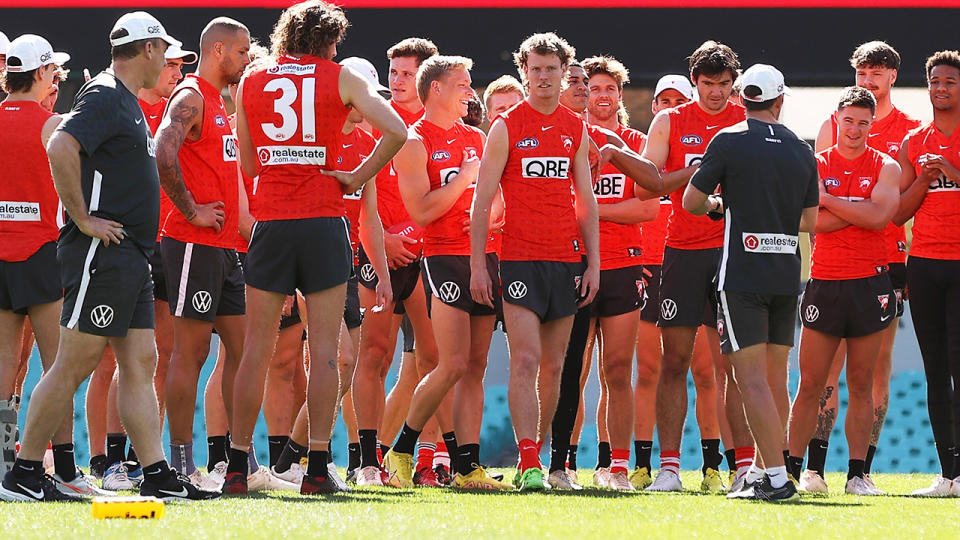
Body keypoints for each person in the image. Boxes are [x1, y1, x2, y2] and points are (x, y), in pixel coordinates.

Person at [0, 11, 218, 502]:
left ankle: (158, 474)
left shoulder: (125, 101)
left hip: (129, 254)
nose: (166, 58)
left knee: (141, 360)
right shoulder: (103, 93)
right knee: (73, 362)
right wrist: (82, 219)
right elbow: (60, 145)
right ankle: (25, 472)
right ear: (145, 50)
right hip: (103, 251)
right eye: (162, 48)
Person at [229, 0, 406, 495]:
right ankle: (316, 471)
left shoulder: (252, 81)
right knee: (325, 354)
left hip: (273, 222)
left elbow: (247, 162)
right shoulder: (343, 77)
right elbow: (397, 130)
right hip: (324, 220)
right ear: (331, 40)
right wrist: (356, 176)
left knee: (255, 353)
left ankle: (238, 468)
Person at [683, 63, 818, 502]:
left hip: (742, 275)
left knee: (750, 380)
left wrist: (722, 205)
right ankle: (766, 470)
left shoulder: (729, 139)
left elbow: (690, 201)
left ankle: (776, 478)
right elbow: (810, 221)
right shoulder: (801, 149)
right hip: (786, 272)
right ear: (780, 100)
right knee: (775, 379)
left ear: (742, 99)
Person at [470, 32, 600, 492]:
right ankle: (528, 462)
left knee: (557, 366)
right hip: (520, 259)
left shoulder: (575, 128)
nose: (543, 77)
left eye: (551, 69)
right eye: (536, 69)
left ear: (564, 73)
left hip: (566, 261)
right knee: (524, 359)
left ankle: (548, 461)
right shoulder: (506, 126)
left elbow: (586, 201)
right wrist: (478, 265)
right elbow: (482, 201)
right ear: (523, 71)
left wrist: (594, 264)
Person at [383, 55, 510, 490]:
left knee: (474, 366)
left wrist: (494, 213)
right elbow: (420, 211)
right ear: (435, 89)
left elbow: (496, 198)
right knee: (449, 363)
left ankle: (467, 467)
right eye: (462, 85)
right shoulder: (413, 142)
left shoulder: (476, 135)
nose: (470, 93)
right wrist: (461, 182)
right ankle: (401, 451)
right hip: (443, 258)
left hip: (485, 255)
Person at [804, 41, 920, 494]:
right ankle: (814, 467)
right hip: (832, 261)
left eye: (877, 72)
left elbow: (897, 209)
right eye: (862, 73)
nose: (868, 80)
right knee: (824, 372)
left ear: (893, 76)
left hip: (888, 260)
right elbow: (812, 207)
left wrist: (871, 215)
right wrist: (854, 216)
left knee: (875, 372)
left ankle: (861, 471)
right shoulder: (832, 126)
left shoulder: (911, 130)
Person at [639, 40, 744, 492]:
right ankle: (669, 467)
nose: (715, 93)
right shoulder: (670, 120)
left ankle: (743, 468)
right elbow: (646, 186)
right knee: (674, 361)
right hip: (681, 249)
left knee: (736, 365)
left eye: (724, 85)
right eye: (707, 84)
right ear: (694, 81)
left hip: (734, 253)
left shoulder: (747, 120)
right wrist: (699, 173)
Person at [786, 86, 900, 496]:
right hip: (825, 282)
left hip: (870, 283)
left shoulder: (886, 165)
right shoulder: (812, 163)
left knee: (862, 382)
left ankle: (857, 475)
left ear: (872, 124)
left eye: (863, 122)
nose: (854, 129)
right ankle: (792, 473)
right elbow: (805, 222)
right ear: (836, 120)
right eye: (848, 120)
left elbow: (880, 217)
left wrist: (831, 200)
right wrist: (859, 209)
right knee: (811, 384)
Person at [154, 17, 252, 488]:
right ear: (217, 50)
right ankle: (178, 461)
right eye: (241, 52)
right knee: (189, 353)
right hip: (193, 242)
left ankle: (239, 460)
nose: (247, 59)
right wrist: (191, 211)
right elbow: (162, 152)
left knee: (243, 347)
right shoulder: (190, 96)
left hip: (225, 246)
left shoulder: (219, 102)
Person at [0, 35, 99, 496]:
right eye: (52, 73)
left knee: (4, 369)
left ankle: (6, 469)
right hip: (41, 253)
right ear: (40, 74)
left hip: (2, 255)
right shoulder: (52, 125)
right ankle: (63, 470)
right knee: (57, 366)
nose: (54, 79)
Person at [351, 37, 447, 488]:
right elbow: (351, 192)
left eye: (408, 74)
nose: (397, 82)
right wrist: (382, 239)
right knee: (373, 354)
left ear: (427, 79)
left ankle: (422, 459)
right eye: (393, 73)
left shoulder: (436, 127)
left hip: (428, 256)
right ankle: (365, 460)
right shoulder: (372, 121)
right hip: (379, 253)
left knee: (435, 359)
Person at [893, 50, 960, 497]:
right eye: (934, 81)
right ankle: (948, 475)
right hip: (925, 264)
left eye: (950, 81)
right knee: (936, 370)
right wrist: (923, 179)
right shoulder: (914, 142)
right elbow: (897, 212)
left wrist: (952, 172)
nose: (941, 88)